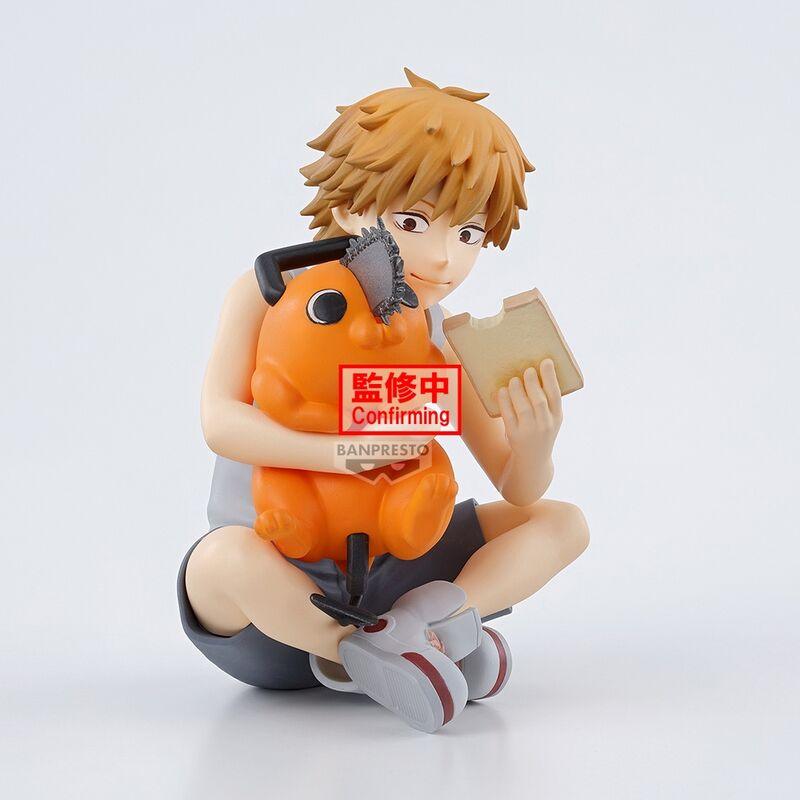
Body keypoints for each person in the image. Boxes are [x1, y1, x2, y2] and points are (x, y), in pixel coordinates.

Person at [178, 68, 589, 714]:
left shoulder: (438, 333)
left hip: (399, 566)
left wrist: (536, 444)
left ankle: (430, 626)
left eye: (469, 234)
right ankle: (366, 651)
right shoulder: (269, 293)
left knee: (561, 522)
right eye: (413, 221)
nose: (445, 258)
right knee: (219, 560)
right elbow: (220, 422)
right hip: (281, 590)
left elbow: (518, 487)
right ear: (349, 208)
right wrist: (343, 455)